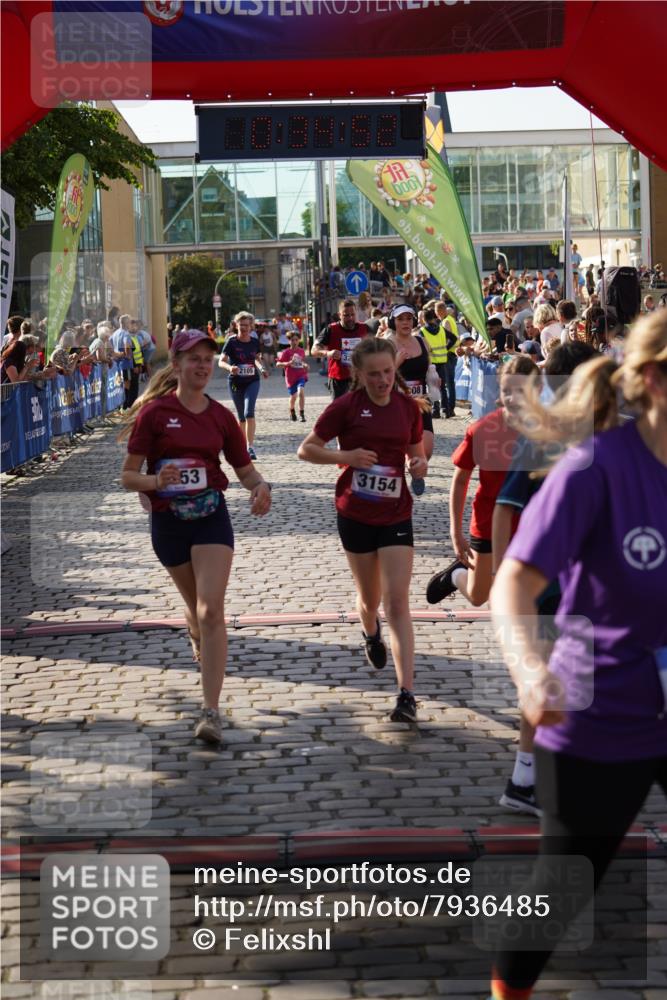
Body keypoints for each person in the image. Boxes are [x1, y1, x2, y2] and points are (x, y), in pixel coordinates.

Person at [488, 309, 667, 1000]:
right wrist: (529, 669)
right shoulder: (595, 466)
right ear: (653, 379)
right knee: (561, 890)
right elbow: (515, 581)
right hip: (598, 713)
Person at [119, 329, 272, 745]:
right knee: (195, 610)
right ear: (178, 365)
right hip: (168, 523)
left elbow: (244, 469)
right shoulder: (155, 414)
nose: (203, 366)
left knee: (210, 612)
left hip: (210, 518)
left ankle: (210, 711)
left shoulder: (221, 416)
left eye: (208, 359)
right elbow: (128, 476)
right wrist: (155, 479)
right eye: (194, 359)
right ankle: (195, 632)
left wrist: (260, 487)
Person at [298, 337, 428, 723]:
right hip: (354, 513)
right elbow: (306, 449)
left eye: (388, 372)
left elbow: (416, 452)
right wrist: (346, 457)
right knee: (370, 600)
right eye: (374, 375)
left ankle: (406, 694)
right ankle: (370, 631)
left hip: (396, 514)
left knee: (397, 602)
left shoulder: (407, 408)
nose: (383, 380)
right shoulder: (346, 408)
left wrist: (417, 466)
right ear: (359, 374)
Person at [426, 355, 536, 608]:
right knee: (478, 596)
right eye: (507, 390)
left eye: (521, 390)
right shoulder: (483, 429)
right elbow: (461, 479)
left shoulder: (549, 430)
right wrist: (455, 532)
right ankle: (455, 576)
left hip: (531, 526)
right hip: (488, 521)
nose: (513, 398)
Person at [387, 303, 436, 495]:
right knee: (405, 446)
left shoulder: (421, 341)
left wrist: (434, 377)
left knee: (428, 449)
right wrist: (396, 362)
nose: (405, 323)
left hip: (422, 401)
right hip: (398, 403)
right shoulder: (388, 343)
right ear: (394, 321)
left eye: (408, 318)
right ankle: (405, 472)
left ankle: (415, 470)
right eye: (400, 319)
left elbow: (429, 365)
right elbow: (380, 374)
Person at [218, 311, 269, 460]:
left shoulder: (254, 342)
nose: (244, 328)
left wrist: (262, 368)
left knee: (249, 413)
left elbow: (257, 359)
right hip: (235, 383)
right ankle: (241, 446)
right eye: (241, 326)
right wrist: (230, 368)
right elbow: (221, 361)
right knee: (241, 418)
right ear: (236, 326)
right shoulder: (231, 342)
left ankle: (250, 447)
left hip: (252, 380)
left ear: (251, 326)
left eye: (247, 325)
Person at [311, 299, 370, 398]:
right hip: (338, 380)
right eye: (346, 315)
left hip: (360, 378)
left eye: (353, 314)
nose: (350, 318)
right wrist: (328, 353)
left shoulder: (364, 328)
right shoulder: (331, 329)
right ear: (339, 315)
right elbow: (314, 350)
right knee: (340, 412)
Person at [276, 330, 308, 422]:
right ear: (289, 341)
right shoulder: (286, 352)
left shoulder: (301, 351)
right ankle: (292, 410)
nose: (294, 342)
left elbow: (302, 362)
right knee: (293, 397)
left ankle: (302, 414)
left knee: (301, 392)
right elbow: (278, 364)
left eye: (296, 340)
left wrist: (305, 365)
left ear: (299, 340)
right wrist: (289, 363)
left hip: (301, 375)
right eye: (292, 340)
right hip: (290, 378)